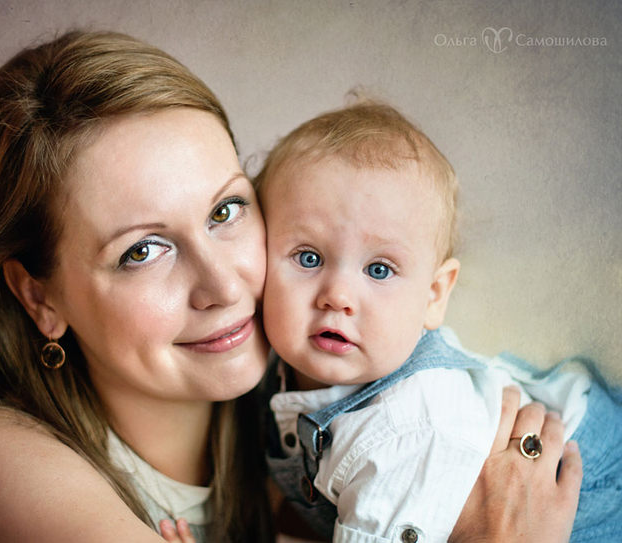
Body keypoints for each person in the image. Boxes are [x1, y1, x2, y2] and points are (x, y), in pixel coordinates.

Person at [0, 31, 582, 543]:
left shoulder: (300, 432)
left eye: (225, 211)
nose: (224, 283)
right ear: (40, 298)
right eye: (142, 251)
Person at [255, 101, 620, 542]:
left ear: (434, 295)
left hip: (591, 492)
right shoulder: (276, 366)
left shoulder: (401, 431)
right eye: (309, 258)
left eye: (379, 270)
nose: (339, 296)